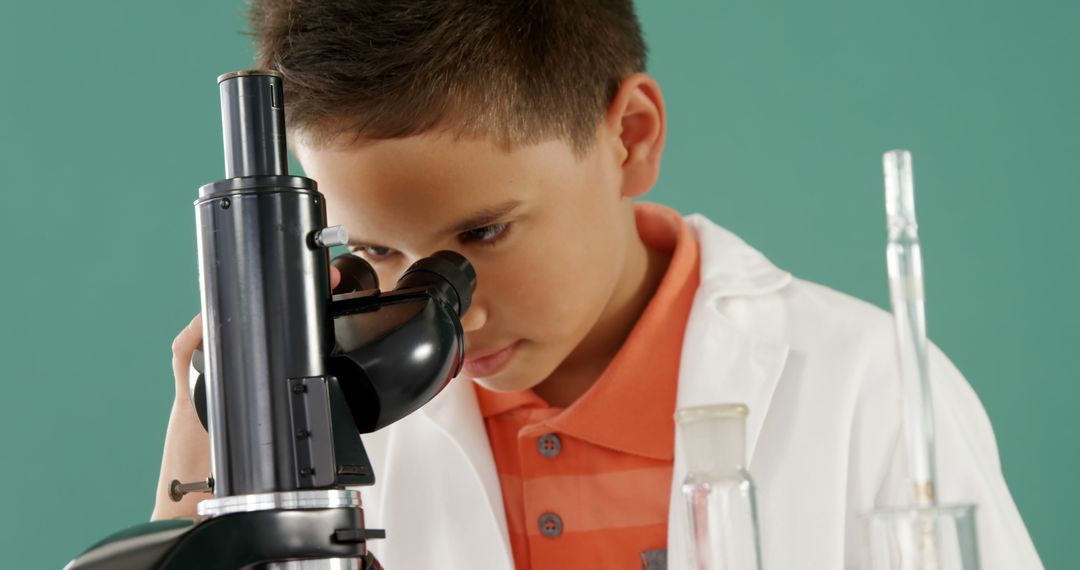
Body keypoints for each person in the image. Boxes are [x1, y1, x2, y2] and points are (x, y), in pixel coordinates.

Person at [152, 1, 1042, 568]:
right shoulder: (331, 426)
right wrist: (203, 497)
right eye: (379, 255)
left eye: (483, 233)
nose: (442, 311)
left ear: (631, 136)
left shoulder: (867, 389)